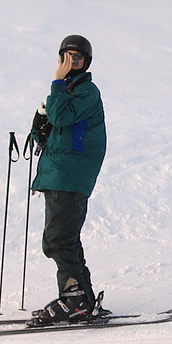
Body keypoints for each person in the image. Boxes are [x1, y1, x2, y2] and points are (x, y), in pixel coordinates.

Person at [28, 34, 108, 326]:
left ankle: (74, 301)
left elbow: (61, 117)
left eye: (79, 58)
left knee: (58, 240)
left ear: (87, 62)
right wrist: (39, 126)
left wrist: (56, 85)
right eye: (68, 56)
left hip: (69, 175)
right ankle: (81, 299)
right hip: (60, 173)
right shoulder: (68, 91)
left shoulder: (85, 92)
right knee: (65, 239)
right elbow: (52, 130)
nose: (73, 62)